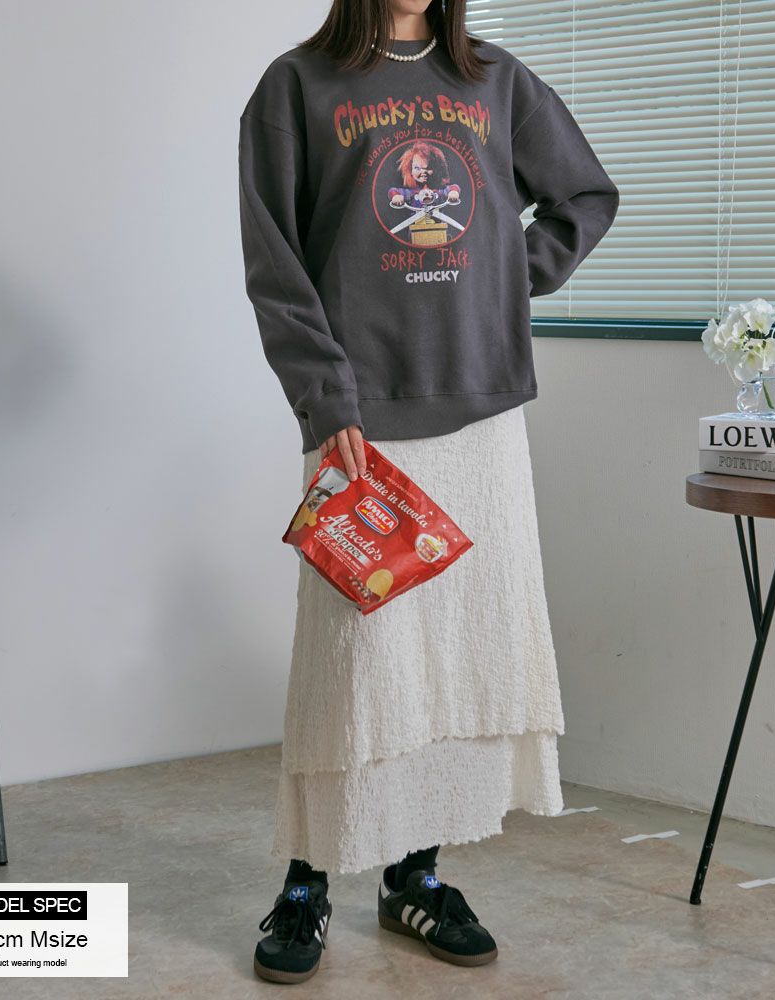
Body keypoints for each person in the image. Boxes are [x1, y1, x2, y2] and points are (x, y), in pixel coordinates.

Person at [238, 0, 619, 984]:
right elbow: (275, 265)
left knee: (455, 657)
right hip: (360, 423)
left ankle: (415, 873)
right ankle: (308, 879)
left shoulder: (495, 80)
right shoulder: (295, 86)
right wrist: (324, 396)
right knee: (352, 665)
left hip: (481, 413)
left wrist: (502, 281)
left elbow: (584, 195)